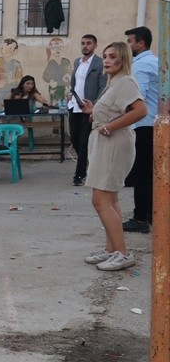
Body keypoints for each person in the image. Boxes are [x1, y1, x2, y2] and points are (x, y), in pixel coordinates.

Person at [82, 41, 147, 271]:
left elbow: (141, 110)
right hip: (106, 143)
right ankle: (112, 249)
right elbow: (115, 110)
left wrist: (110, 126)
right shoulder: (114, 83)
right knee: (110, 200)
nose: (107, 60)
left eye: (112, 56)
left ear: (123, 59)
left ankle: (123, 253)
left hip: (113, 144)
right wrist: (94, 112)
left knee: (100, 200)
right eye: (105, 56)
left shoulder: (126, 81)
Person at [122, 26, 157, 235]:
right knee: (151, 173)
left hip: (144, 125)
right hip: (153, 124)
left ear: (141, 43)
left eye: (130, 41)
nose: (129, 46)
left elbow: (137, 96)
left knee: (142, 174)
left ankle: (141, 217)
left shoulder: (141, 66)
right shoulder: (155, 62)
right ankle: (152, 214)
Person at [67, 34, 104, 187]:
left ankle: (79, 174)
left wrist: (96, 105)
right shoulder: (77, 62)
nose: (85, 46)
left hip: (88, 107)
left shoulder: (99, 63)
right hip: (74, 106)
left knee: (84, 142)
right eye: (83, 43)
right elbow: (74, 83)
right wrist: (70, 94)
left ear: (95, 45)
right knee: (74, 138)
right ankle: (87, 162)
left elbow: (102, 86)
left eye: (89, 43)